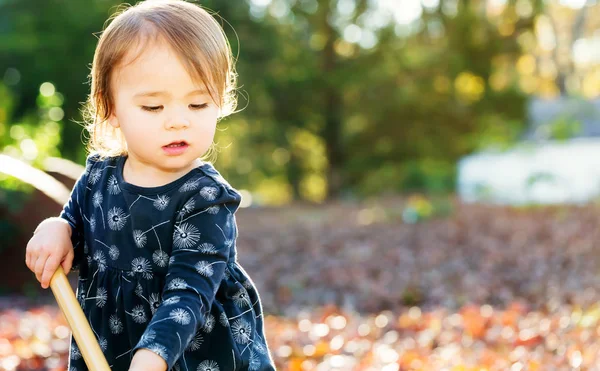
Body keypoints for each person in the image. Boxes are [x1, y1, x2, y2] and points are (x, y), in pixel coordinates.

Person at [24, 1, 276, 370]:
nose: (178, 121)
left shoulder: (206, 197)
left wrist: (153, 355)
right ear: (110, 107)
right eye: (154, 108)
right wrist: (55, 228)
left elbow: (190, 290)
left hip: (196, 350)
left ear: (220, 101)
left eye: (198, 103)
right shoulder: (98, 178)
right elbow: (75, 231)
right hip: (112, 343)